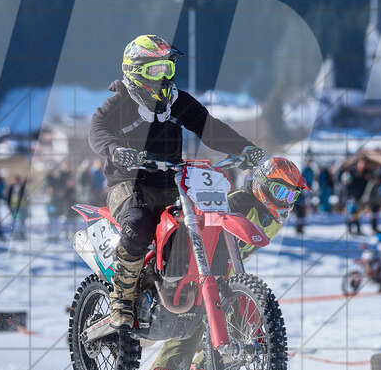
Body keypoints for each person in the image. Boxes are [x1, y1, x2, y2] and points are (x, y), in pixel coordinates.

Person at [88, 34, 264, 332]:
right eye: (155, 70)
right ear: (134, 71)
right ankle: (121, 298)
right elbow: (98, 131)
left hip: (173, 182)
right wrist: (117, 150)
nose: (164, 77)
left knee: (202, 222)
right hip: (129, 184)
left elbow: (209, 128)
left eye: (167, 69)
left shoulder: (176, 101)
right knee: (139, 221)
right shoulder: (120, 102)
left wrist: (243, 148)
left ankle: (214, 288)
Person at [143, 157, 310, 370]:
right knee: (202, 308)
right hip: (196, 266)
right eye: (281, 191)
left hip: (225, 274)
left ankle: (206, 368)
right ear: (262, 184)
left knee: (249, 321)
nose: (285, 200)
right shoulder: (237, 203)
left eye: (292, 195)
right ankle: (167, 367)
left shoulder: (273, 219)